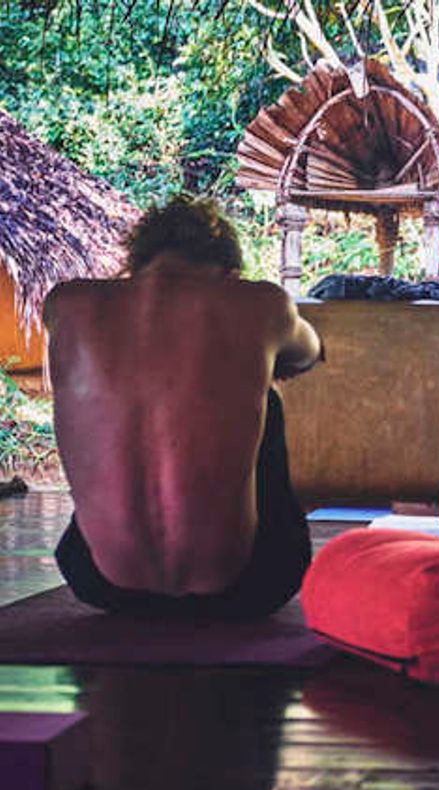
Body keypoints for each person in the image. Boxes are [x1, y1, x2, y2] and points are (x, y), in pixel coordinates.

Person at [44, 197, 323, 618]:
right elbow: (310, 354)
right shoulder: (262, 303)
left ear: (137, 260)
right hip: (251, 585)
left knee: (105, 403)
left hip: (99, 582)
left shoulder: (66, 304)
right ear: (229, 270)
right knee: (266, 398)